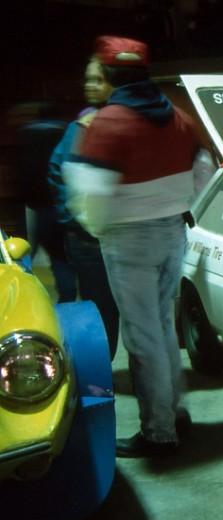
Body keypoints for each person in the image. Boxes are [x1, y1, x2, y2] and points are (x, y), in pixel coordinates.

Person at [63, 35, 213, 458]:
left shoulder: (107, 122)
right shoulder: (178, 118)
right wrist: (179, 205)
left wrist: (102, 229)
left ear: (111, 76)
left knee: (141, 337)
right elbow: (206, 168)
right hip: (172, 233)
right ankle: (176, 411)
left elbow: (89, 195)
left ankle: (159, 432)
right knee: (164, 329)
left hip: (129, 241)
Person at [48, 56, 121, 357]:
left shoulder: (120, 122)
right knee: (100, 309)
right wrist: (76, 221)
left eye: (98, 79)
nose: (90, 85)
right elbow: (57, 171)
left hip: (121, 236)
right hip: (91, 240)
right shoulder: (81, 126)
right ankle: (100, 375)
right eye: (88, 79)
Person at [9, 102, 76, 302]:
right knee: (60, 257)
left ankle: (22, 298)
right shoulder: (68, 133)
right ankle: (68, 297)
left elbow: (20, 169)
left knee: (21, 254)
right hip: (58, 203)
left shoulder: (25, 134)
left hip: (30, 204)